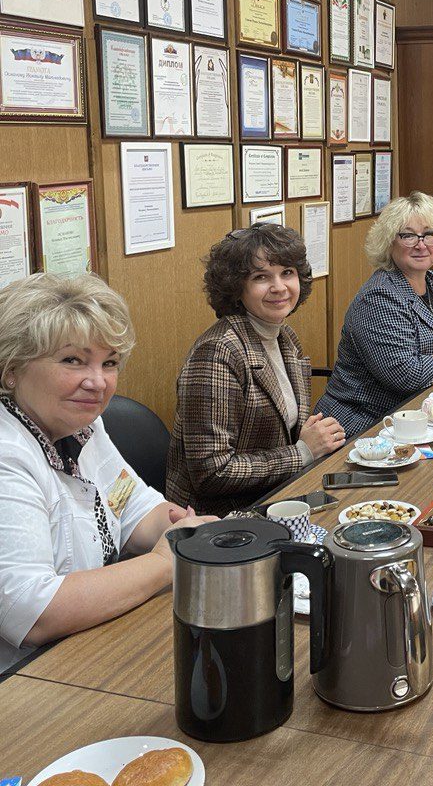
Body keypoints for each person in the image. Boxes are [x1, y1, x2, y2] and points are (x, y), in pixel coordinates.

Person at [0, 273, 216, 674]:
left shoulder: (82, 426)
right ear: (12, 368)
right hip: (24, 685)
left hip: (91, 648)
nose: (97, 382)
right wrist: (166, 561)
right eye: (72, 360)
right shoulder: (7, 454)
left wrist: (187, 530)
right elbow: (31, 610)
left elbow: (132, 505)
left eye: (109, 363)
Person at [167, 224, 345, 516]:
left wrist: (317, 440)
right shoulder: (217, 352)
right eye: (261, 277)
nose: (279, 287)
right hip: (223, 519)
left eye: (287, 272)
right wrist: (302, 452)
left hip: (279, 495)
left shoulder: (285, 337)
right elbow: (212, 472)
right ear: (237, 288)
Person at [317, 192, 433, 438]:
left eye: (429, 234)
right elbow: (409, 376)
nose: (421, 244)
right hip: (364, 426)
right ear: (389, 242)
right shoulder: (379, 297)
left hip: (416, 415)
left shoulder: (431, 281)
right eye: (408, 235)